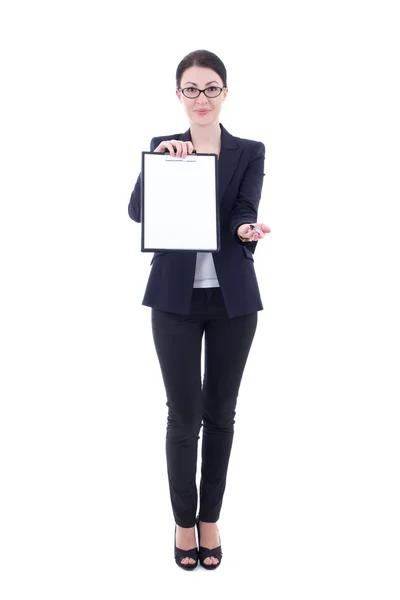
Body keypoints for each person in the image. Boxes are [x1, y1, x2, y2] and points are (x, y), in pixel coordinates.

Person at [128, 49, 271, 570]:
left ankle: (211, 517)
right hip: (175, 302)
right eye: (192, 88)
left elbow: (243, 210)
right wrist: (162, 165)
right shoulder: (163, 147)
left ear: (225, 92)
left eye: (211, 87)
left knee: (221, 415)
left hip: (233, 301)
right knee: (183, 417)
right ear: (179, 95)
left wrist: (245, 230)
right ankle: (183, 522)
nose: (202, 97)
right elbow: (137, 212)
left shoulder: (249, 150)